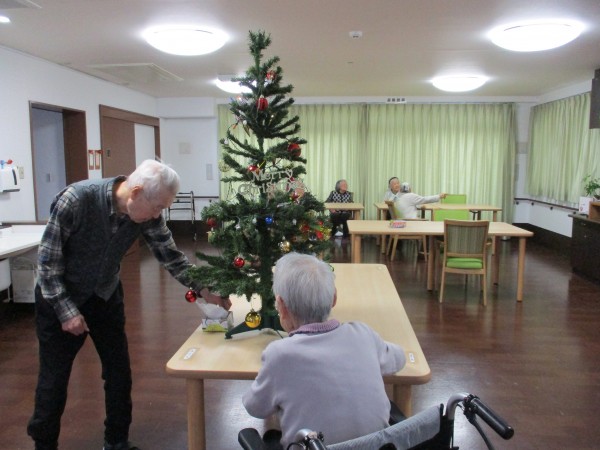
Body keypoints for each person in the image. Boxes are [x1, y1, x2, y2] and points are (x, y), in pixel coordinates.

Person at [27, 160, 231, 450]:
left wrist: (206, 290)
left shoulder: (147, 213)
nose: (158, 215)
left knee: (118, 373)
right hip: (59, 297)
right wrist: (66, 311)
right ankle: (44, 444)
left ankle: (116, 441)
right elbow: (47, 265)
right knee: (54, 379)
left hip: (104, 296)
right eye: (157, 207)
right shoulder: (75, 201)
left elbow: (171, 256)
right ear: (135, 192)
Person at [242, 253, 406, 448]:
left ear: (281, 306)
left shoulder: (279, 354)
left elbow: (255, 407)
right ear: (334, 298)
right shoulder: (363, 334)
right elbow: (399, 358)